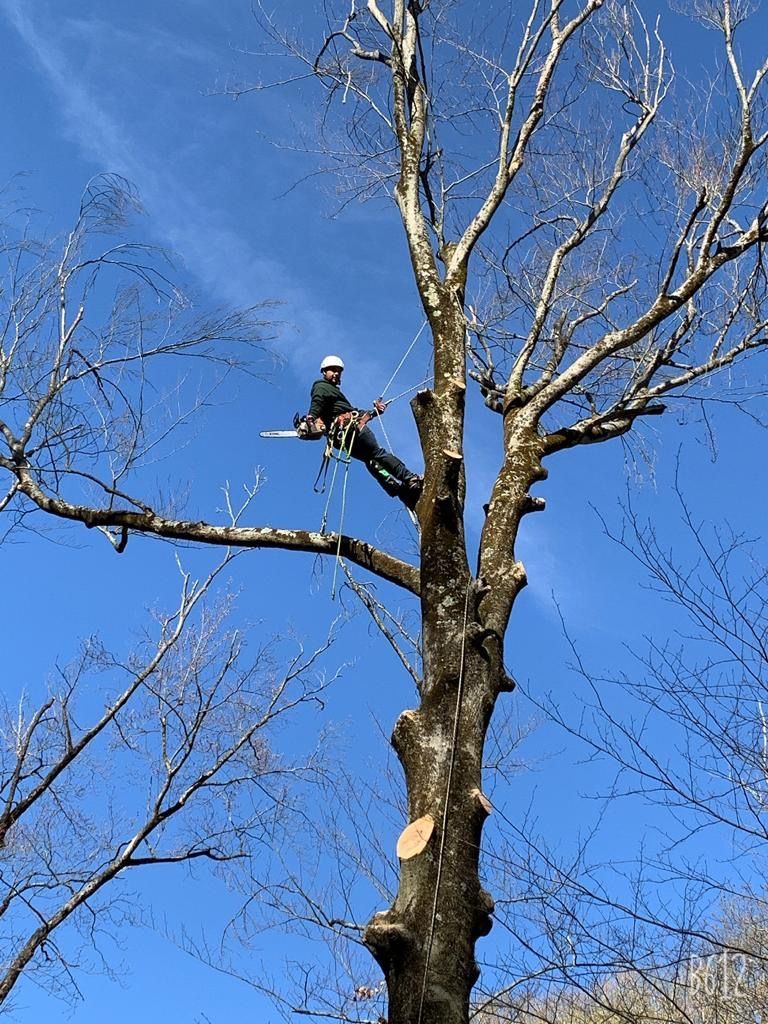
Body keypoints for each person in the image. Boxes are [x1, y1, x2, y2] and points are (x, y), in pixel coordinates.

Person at [301, 355, 422, 510]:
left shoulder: (333, 394)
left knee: (370, 460)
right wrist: (311, 416)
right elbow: (318, 401)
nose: (336, 374)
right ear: (324, 371)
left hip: (342, 437)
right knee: (376, 454)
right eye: (332, 370)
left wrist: (374, 412)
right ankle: (409, 478)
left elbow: (353, 413)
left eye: (338, 371)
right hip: (351, 431)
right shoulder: (321, 387)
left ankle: (396, 489)